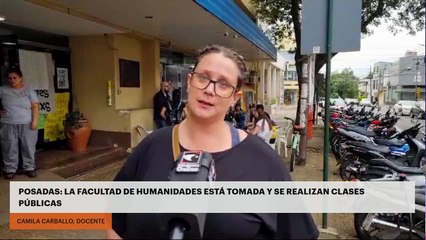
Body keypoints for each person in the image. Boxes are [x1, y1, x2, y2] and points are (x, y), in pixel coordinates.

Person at [107, 45, 318, 239]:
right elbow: (115, 221)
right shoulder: (151, 146)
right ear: (190, 81)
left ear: (235, 97)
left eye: (223, 84)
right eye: (203, 78)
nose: (209, 89)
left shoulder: (264, 162)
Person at [1, 66, 39, 180]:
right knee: (9, 146)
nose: (12, 80)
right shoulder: (2, 90)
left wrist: (35, 121)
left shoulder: (28, 90)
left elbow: (35, 106)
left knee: (28, 146)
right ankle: (10, 169)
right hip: (7, 123)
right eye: (9, 78)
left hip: (26, 122)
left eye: (14, 78)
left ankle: (29, 167)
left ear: (21, 78)